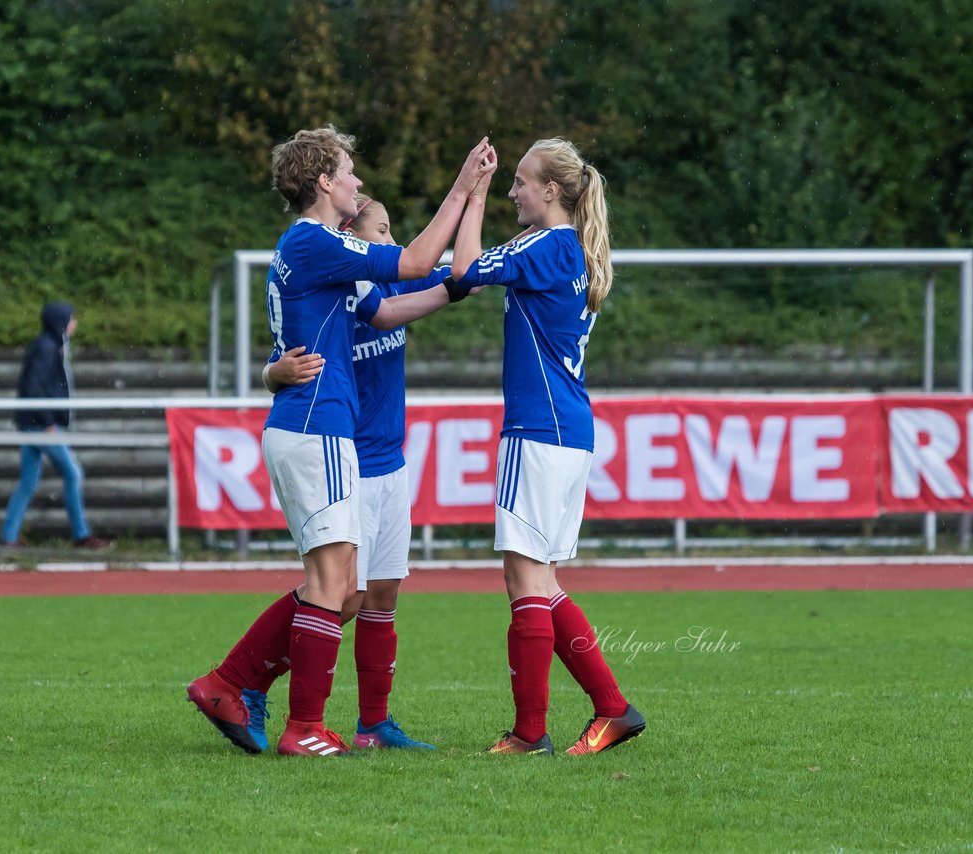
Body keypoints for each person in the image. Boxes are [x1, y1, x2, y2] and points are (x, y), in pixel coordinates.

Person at [187, 127, 495, 757]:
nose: (357, 181)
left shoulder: (310, 247)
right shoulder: (313, 238)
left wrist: (453, 287)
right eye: (349, 171)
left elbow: (382, 310)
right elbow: (410, 264)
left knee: (340, 586)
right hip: (315, 427)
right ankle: (299, 727)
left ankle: (234, 684)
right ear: (324, 181)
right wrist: (463, 187)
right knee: (333, 587)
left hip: (310, 427)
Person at [244, 194, 473, 752]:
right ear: (350, 235)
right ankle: (250, 684)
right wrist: (272, 372)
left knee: (382, 594)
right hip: (345, 452)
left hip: (387, 459)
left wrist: (479, 262)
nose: (392, 240)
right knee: (341, 595)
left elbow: (450, 276)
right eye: (382, 230)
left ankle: (373, 723)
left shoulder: (379, 288)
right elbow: (295, 340)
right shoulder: (342, 281)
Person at [450, 137, 645, 756]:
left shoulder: (546, 243)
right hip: (569, 429)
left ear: (552, 191)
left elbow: (464, 271)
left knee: (524, 578)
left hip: (538, 428)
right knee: (542, 578)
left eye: (521, 182)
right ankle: (612, 709)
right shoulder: (569, 249)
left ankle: (530, 733)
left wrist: (472, 193)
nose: (514, 191)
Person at [0, 302, 111, 550]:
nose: (74, 324)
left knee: (28, 482)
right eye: (70, 319)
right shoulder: (46, 348)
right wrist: (49, 422)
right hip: (40, 425)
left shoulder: (47, 346)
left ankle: (8, 537)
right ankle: (81, 535)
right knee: (73, 473)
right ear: (59, 322)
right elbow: (33, 388)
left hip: (32, 423)